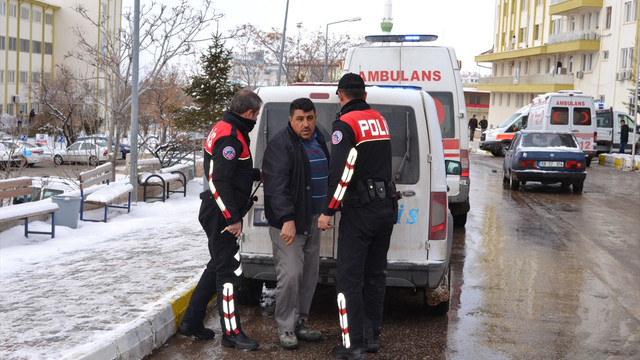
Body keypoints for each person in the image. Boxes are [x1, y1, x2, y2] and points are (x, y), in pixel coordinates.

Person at [318, 73, 398, 360]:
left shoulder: (345, 124)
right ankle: (371, 337)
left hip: (361, 210)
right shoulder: (379, 119)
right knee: (375, 274)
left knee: (349, 280)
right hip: (386, 207)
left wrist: (329, 210)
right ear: (364, 94)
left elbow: (342, 173)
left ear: (341, 95)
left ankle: (353, 345)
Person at [178, 89, 262, 351]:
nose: (256, 118)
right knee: (229, 273)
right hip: (221, 213)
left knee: (217, 265)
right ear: (248, 113)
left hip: (217, 210)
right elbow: (219, 181)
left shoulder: (227, 127)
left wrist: (257, 174)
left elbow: (233, 171)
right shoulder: (230, 136)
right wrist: (233, 218)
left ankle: (191, 321)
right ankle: (232, 333)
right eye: (256, 114)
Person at [262, 97, 329, 350]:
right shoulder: (281, 145)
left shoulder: (318, 138)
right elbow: (276, 188)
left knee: (308, 275)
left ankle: (300, 322)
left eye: (310, 118)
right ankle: (286, 327)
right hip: (289, 224)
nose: (306, 123)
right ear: (291, 119)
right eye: (300, 118)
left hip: (313, 219)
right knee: (290, 274)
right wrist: (287, 220)